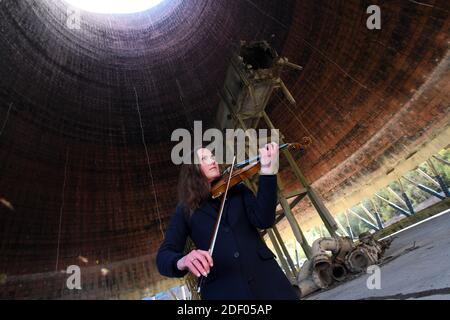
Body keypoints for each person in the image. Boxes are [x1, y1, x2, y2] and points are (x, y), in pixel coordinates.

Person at [156, 143, 299, 300]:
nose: (213, 161)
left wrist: (268, 173)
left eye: (212, 157)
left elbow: (265, 220)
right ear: (192, 170)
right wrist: (182, 261)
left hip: (266, 279)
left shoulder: (238, 189)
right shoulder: (185, 209)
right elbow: (164, 256)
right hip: (224, 290)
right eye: (204, 158)